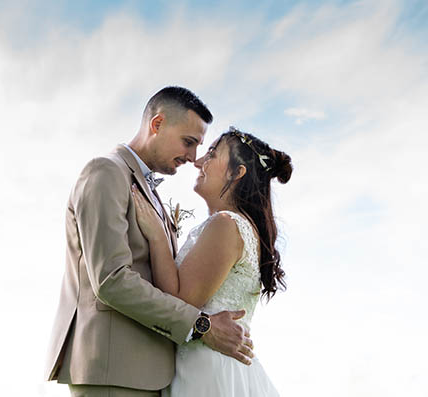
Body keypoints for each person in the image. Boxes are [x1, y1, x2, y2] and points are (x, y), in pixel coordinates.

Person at [45, 87, 254, 397]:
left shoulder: (146, 189)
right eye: (188, 142)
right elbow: (111, 280)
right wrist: (202, 326)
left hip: (149, 373)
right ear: (157, 124)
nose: (192, 157)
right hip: (113, 372)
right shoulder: (106, 172)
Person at [132, 126, 293, 396]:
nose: (197, 162)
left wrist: (158, 237)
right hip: (216, 366)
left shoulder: (226, 225)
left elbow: (179, 302)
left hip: (209, 371)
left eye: (212, 155)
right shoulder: (237, 226)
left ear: (237, 172)